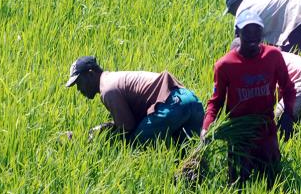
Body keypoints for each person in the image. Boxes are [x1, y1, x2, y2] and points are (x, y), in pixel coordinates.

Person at [202, 11, 296, 186]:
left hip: (266, 130)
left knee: (273, 181)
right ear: (237, 32)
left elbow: (288, 88)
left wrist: (288, 114)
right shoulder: (225, 65)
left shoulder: (273, 56)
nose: (252, 36)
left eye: (256, 30)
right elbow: (216, 101)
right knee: (238, 183)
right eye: (247, 31)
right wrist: (206, 128)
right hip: (239, 135)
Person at [65, 56, 204, 144]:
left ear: (91, 74)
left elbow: (127, 127)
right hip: (190, 99)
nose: (79, 89)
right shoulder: (114, 78)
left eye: (79, 83)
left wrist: (102, 138)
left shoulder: (107, 89)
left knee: (135, 143)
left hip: (172, 105)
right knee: (187, 153)